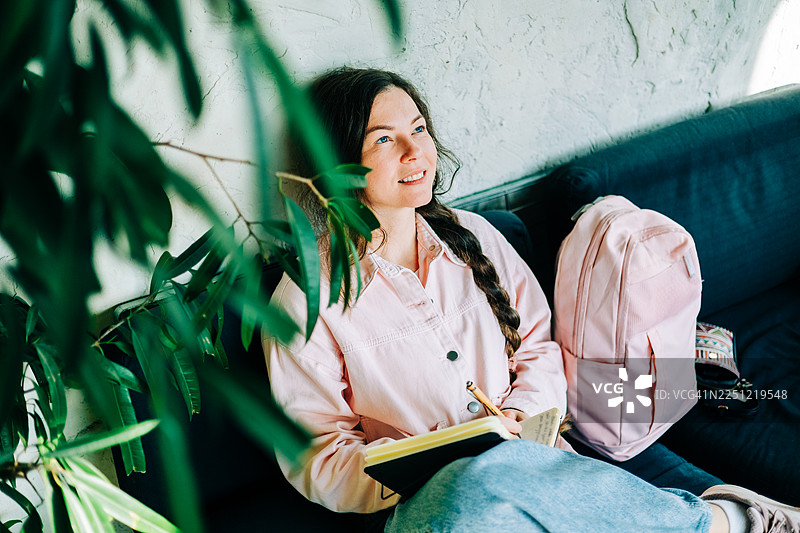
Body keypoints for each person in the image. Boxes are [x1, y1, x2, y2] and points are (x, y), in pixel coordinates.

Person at [263, 67, 800, 532]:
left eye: (419, 129)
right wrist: (438, 465)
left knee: (509, 480)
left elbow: (539, 347)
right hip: (431, 509)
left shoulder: (474, 236)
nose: (414, 152)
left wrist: (520, 418)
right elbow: (317, 457)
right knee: (473, 487)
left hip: (539, 467)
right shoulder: (306, 301)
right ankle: (728, 521)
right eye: (384, 140)